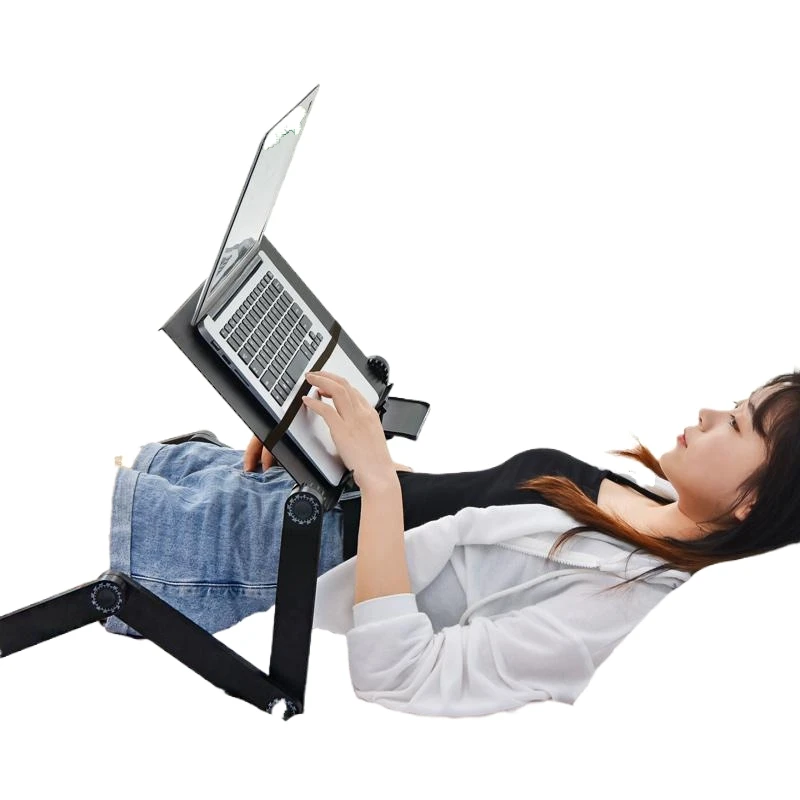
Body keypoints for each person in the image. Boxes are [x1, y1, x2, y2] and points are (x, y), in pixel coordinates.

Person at [101, 368, 800, 717]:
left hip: (254, 549)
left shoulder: (613, 604)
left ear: (751, 503)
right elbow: (452, 519)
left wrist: (376, 479)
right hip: (283, 490)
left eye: (738, 424)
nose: (711, 412)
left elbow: (397, 671)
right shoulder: (644, 500)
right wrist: (329, 450)